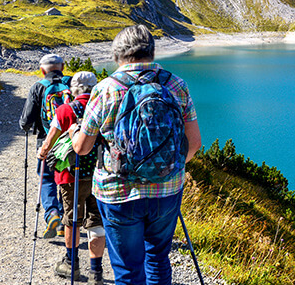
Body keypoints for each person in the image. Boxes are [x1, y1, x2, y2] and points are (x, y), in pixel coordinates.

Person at [71, 25, 202, 285]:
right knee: (158, 259)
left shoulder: (105, 89)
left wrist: (76, 130)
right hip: (167, 189)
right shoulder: (176, 84)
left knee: (129, 269)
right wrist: (164, 168)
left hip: (118, 192)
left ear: (117, 54)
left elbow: (82, 148)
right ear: (151, 51)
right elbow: (194, 144)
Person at [37, 71, 106, 284]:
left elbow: (48, 143)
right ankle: (97, 272)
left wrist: (42, 152)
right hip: (99, 174)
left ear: (73, 91)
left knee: (72, 219)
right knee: (96, 222)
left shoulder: (65, 110)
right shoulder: (103, 108)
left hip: (70, 175)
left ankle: (71, 264)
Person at [19, 53, 69, 238]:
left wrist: (24, 126)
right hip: (71, 142)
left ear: (42, 70)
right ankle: (65, 220)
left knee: (46, 179)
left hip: (46, 142)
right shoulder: (71, 84)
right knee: (66, 179)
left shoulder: (38, 87)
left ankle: (52, 214)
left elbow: (26, 121)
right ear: (62, 67)